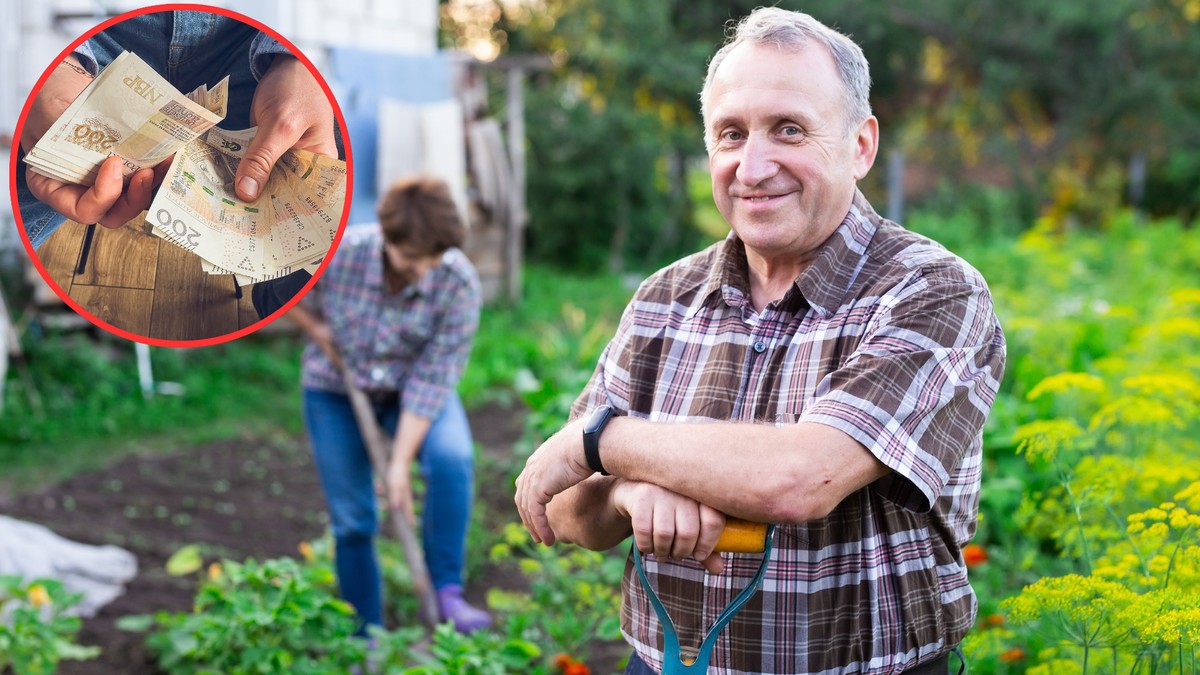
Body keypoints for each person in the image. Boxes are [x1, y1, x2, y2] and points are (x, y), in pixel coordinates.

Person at [515, 7, 1006, 674]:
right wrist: (628, 495)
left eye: (789, 130)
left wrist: (602, 441)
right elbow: (569, 507)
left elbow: (800, 478)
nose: (753, 165)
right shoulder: (665, 299)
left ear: (861, 145)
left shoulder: (931, 291)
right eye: (730, 133)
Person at [15, 9, 334, 311]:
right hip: (91, 36)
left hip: (250, 44)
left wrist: (297, 60)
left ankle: (274, 300)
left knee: (323, 205)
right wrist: (47, 66)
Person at [289, 176, 491, 636]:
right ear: (387, 238)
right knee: (354, 518)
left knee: (451, 458)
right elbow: (277, 285)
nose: (426, 269)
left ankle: (447, 594)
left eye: (434, 259)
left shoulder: (457, 282)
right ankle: (367, 636)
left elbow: (434, 376)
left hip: (410, 393)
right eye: (413, 259)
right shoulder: (341, 254)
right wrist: (316, 329)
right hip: (335, 391)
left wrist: (399, 462)